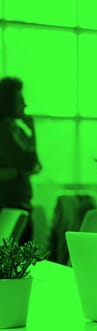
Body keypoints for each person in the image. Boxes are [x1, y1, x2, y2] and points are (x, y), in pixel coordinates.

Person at [0, 77, 41, 245]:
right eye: (19, 100)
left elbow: (36, 165)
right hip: (8, 204)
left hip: (22, 203)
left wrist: (32, 132)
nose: (24, 104)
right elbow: (30, 163)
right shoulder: (4, 132)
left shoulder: (17, 131)